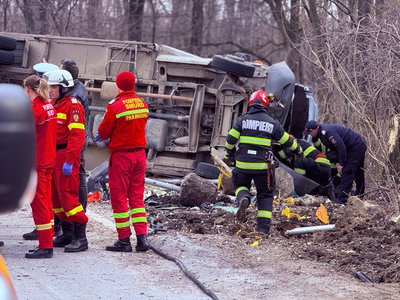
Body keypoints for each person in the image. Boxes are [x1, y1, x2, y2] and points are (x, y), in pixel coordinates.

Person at [223, 89, 302, 234]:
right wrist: (298, 150)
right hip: (262, 166)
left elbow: (230, 139)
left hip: (243, 163)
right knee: (265, 194)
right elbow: (286, 141)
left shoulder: (242, 120)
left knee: (240, 184)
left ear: (251, 103)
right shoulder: (272, 122)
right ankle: (263, 228)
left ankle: (243, 197)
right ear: (266, 104)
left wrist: (229, 155)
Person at [96, 71, 150, 252]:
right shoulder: (142, 104)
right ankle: (142, 239)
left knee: (119, 198)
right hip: (140, 156)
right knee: (136, 198)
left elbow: (103, 133)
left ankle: (124, 240)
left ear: (118, 85)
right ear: (133, 84)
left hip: (122, 157)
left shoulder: (115, 106)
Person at [46, 69, 89, 252]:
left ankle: (81, 237)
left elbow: (77, 136)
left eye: (54, 87)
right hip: (55, 156)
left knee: (69, 199)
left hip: (65, 156)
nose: (50, 90)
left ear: (63, 88)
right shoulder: (56, 104)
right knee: (56, 198)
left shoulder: (73, 105)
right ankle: (67, 233)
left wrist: (70, 161)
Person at [23, 75, 57, 259]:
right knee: (46, 201)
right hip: (47, 158)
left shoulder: (35, 110)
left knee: (39, 203)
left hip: (37, 161)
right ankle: (46, 241)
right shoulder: (49, 106)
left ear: (28, 90)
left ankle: (45, 245)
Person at [305, 120, 367, 204]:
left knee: (348, 171)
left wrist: (341, 164)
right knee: (358, 171)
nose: (310, 134)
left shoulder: (327, 132)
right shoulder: (321, 134)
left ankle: (341, 199)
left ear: (313, 130)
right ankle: (360, 194)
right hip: (353, 146)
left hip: (355, 146)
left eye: (309, 132)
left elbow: (341, 147)